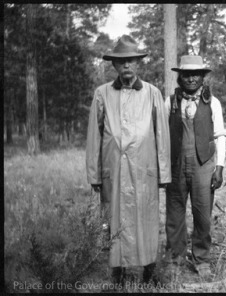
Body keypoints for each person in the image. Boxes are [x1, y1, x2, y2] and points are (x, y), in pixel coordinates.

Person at [86, 35, 171, 285]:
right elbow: (94, 136)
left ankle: (149, 271)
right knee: (113, 219)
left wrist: (163, 173)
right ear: (114, 64)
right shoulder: (102, 94)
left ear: (138, 63)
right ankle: (117, 274)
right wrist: (94, 174)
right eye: (121, 61)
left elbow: (162, 136)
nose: (126, 66)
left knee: (146, 219)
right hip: (113, 170)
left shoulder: (152, 93)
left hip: (144, 170)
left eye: (131, 60)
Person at [164, 55, 226, 279]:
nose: (191, 79)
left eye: (195, 74)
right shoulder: (170, 102)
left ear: (202, 77)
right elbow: (162, 136)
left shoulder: (213, 103)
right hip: (176, 165)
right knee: (175, 213)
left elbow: (220, 136)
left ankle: (201, 259)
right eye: (186, 74)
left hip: (204, 165)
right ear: (180, 76)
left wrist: (219, 167)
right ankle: (175, 258)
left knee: (203, 215)